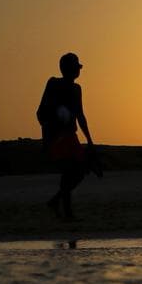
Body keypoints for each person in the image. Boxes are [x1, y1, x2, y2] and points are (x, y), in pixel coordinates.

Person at [36, 52, 97, 221]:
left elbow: (80, 115)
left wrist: (89, 139)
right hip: (57, 136)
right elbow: (41, 112)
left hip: (71, 136)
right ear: (67, 69)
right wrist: (48, 135)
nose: (79, 70)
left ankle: (56, 202)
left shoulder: (77, 89)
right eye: (76, 66)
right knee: (70, 171)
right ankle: (67, 212)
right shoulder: (53, 84)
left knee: (79, 172)